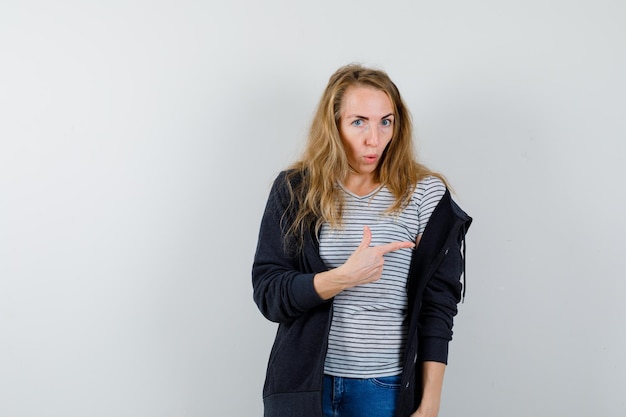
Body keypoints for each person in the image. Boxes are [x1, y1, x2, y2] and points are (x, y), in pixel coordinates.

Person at [252, 64, 472, 417]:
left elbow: (439, 307)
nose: (375, 138)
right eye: (359, 122)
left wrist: (430, 403)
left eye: (386, 121)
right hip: (305, 385)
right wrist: (344, 276)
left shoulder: (425, 194)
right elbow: (269, 294)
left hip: (383, 389)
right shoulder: (297, 190)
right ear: (334, 125)